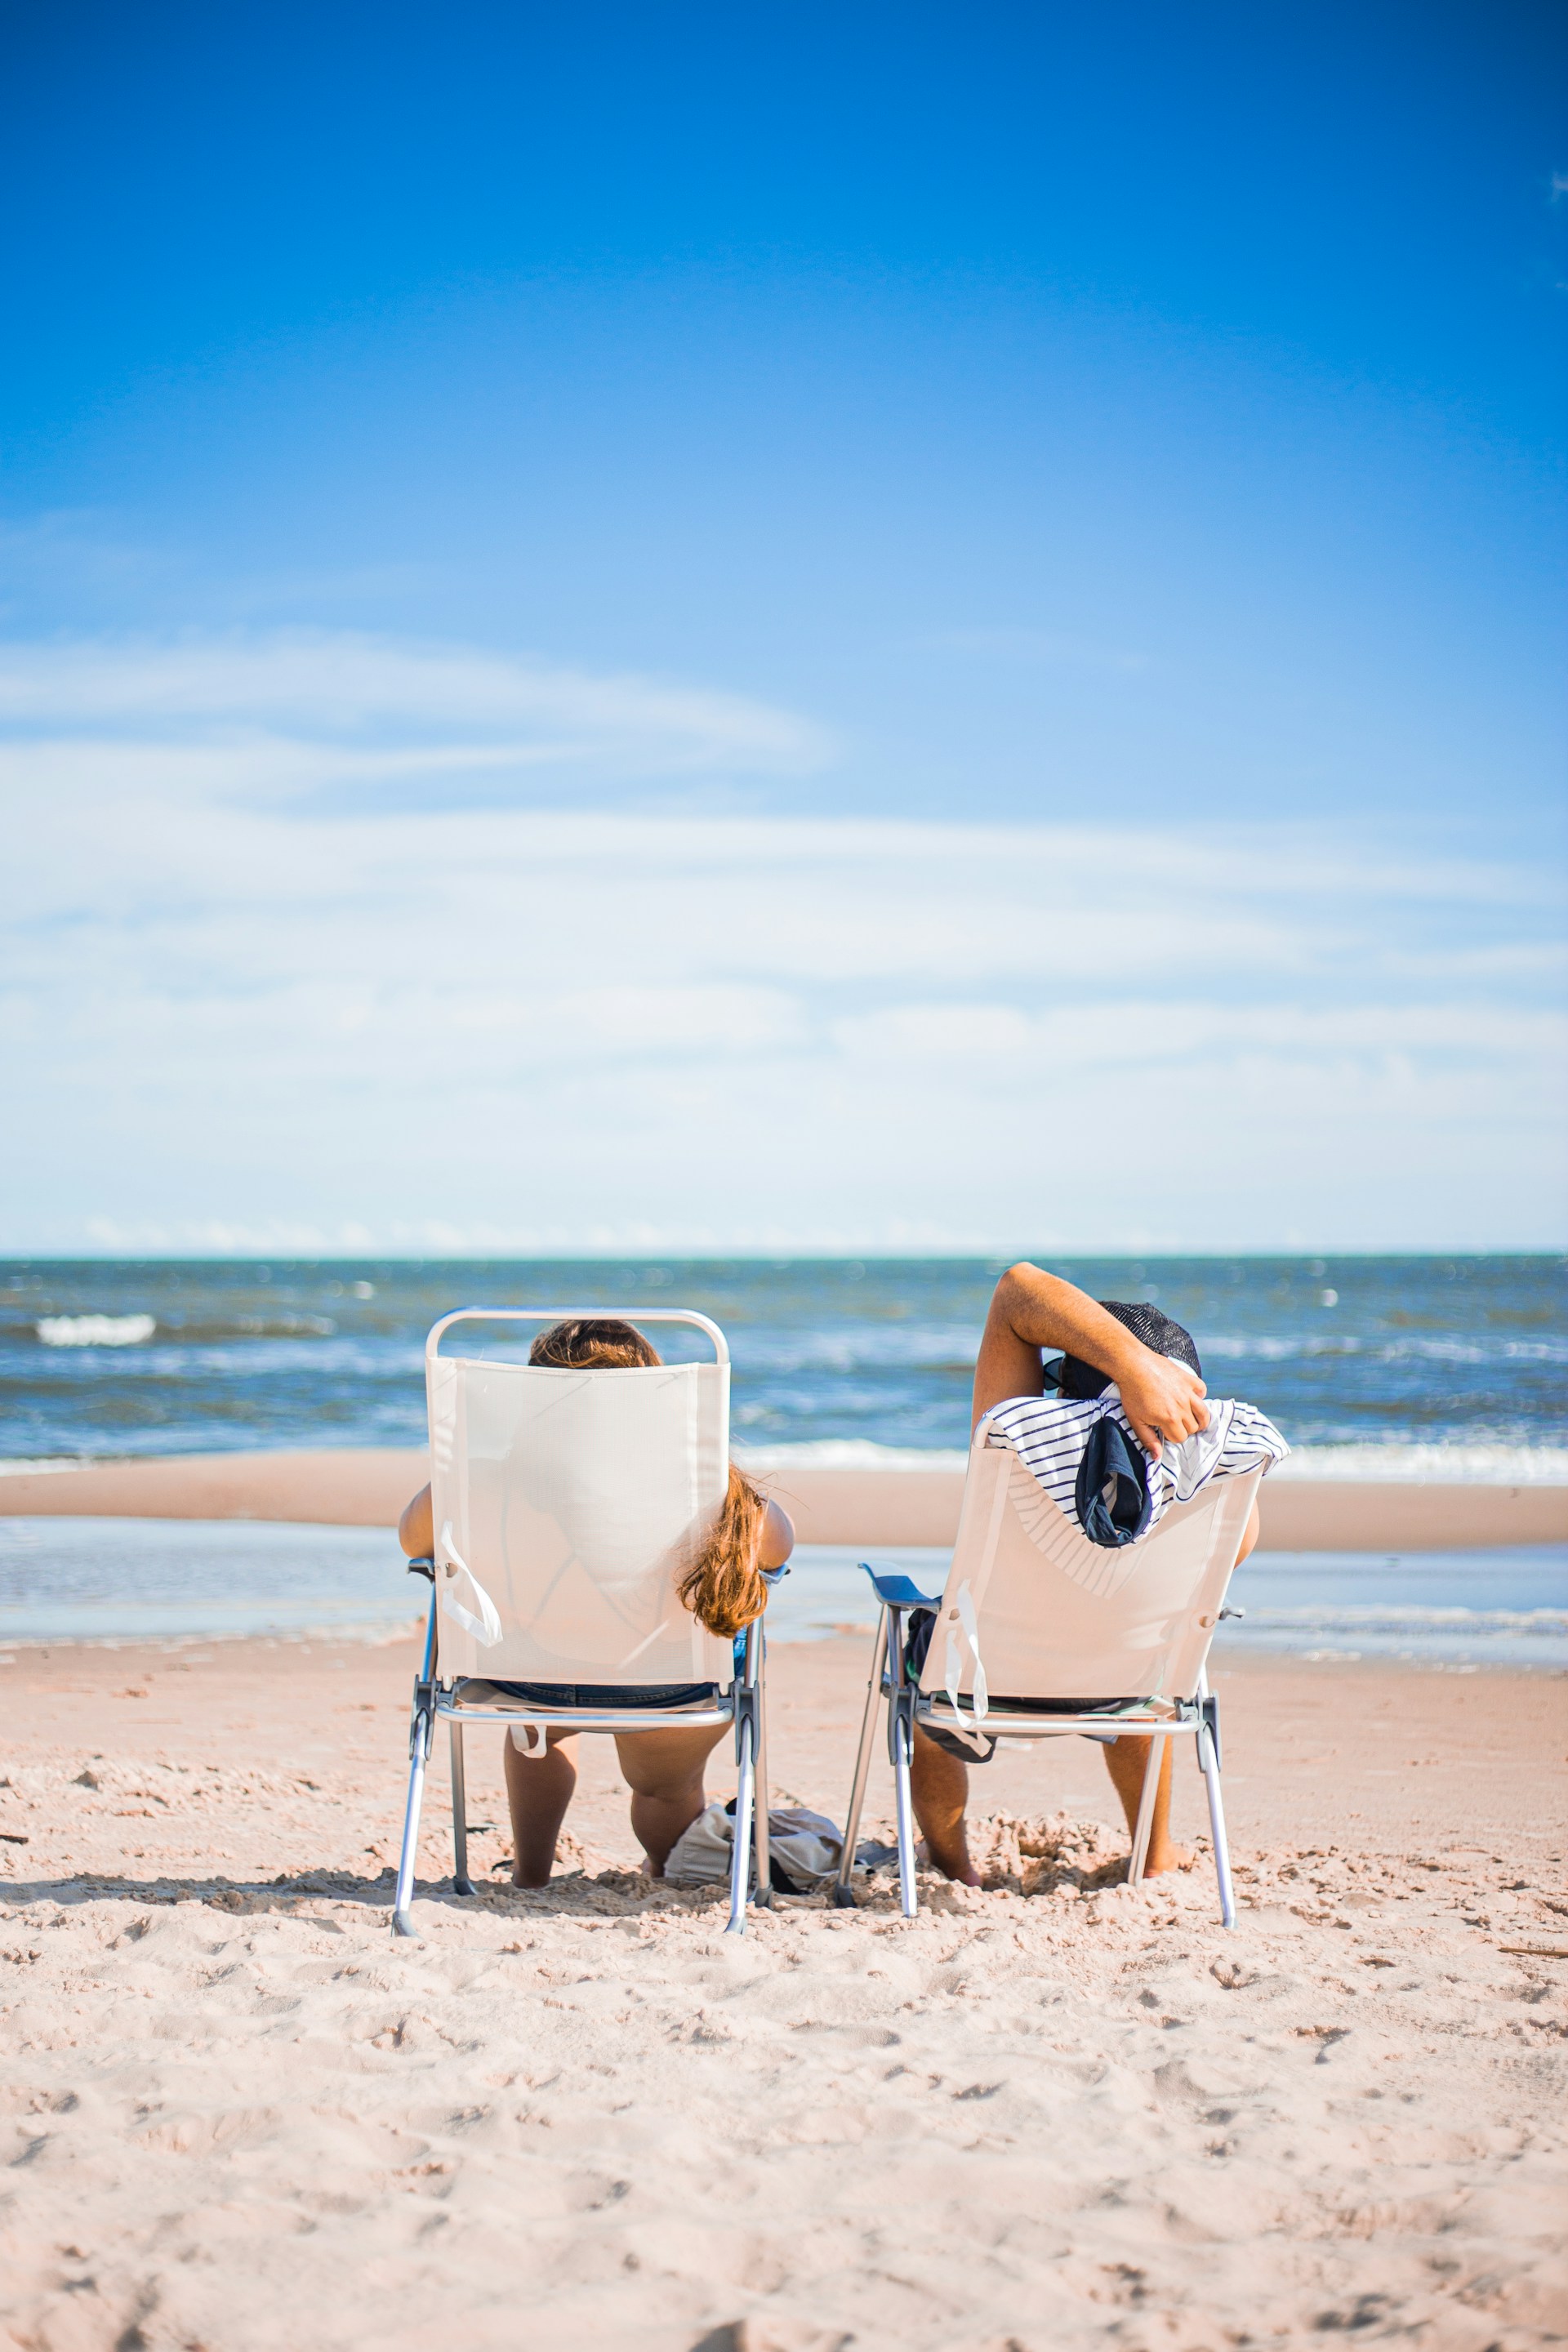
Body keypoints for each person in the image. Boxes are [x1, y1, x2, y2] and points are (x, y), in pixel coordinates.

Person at [908, 1263, 1288, 1888]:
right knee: (1151, 1646)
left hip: (982, 1679)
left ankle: (954, 1866)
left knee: (917, 1666)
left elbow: (1017, 1291)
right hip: (1127, 1686)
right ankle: (1155, 1851)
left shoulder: (1014, 1440)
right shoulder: (1217, 1494)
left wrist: (1128, 1367)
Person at [397, 1316, 795, 1888]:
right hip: (668, 1687)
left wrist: (457, 1480)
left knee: (534, 1735)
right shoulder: (704, 1487)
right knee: (664, 1787)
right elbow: (776, 1547)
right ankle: (661, 1868)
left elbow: (414, 1542)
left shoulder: (485, 1482)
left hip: (531, 1678)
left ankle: (530, 1876)